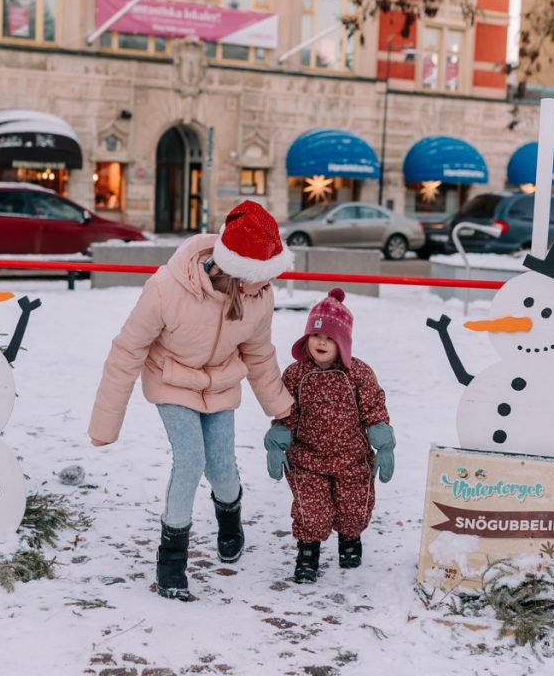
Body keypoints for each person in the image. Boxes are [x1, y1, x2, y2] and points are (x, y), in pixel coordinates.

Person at [89, 200, 295, 600]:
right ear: (236, 269)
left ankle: (230, 518)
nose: (268, 283)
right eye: (262, 275)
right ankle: (171, 559)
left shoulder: (258, 297)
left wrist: (281, 406)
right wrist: (105, 423)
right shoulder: (167, 288)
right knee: (190, 461)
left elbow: (259, 354)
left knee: (221, 468)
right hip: (172, 380)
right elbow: (127, 350)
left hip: (220, 383)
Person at [263, 288, 395, 583]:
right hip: (308, 458)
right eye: (315, 335)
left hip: (352, 458)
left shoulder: (358, 373)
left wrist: (383, 441)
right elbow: (286, 411)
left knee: (355, 507)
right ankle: (308, 552)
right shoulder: (296, 374)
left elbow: (374, 407)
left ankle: (350, 539)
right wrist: (277, 440)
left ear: (343, 343)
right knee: (311, 510)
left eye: (329, 338)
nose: (321, 342)